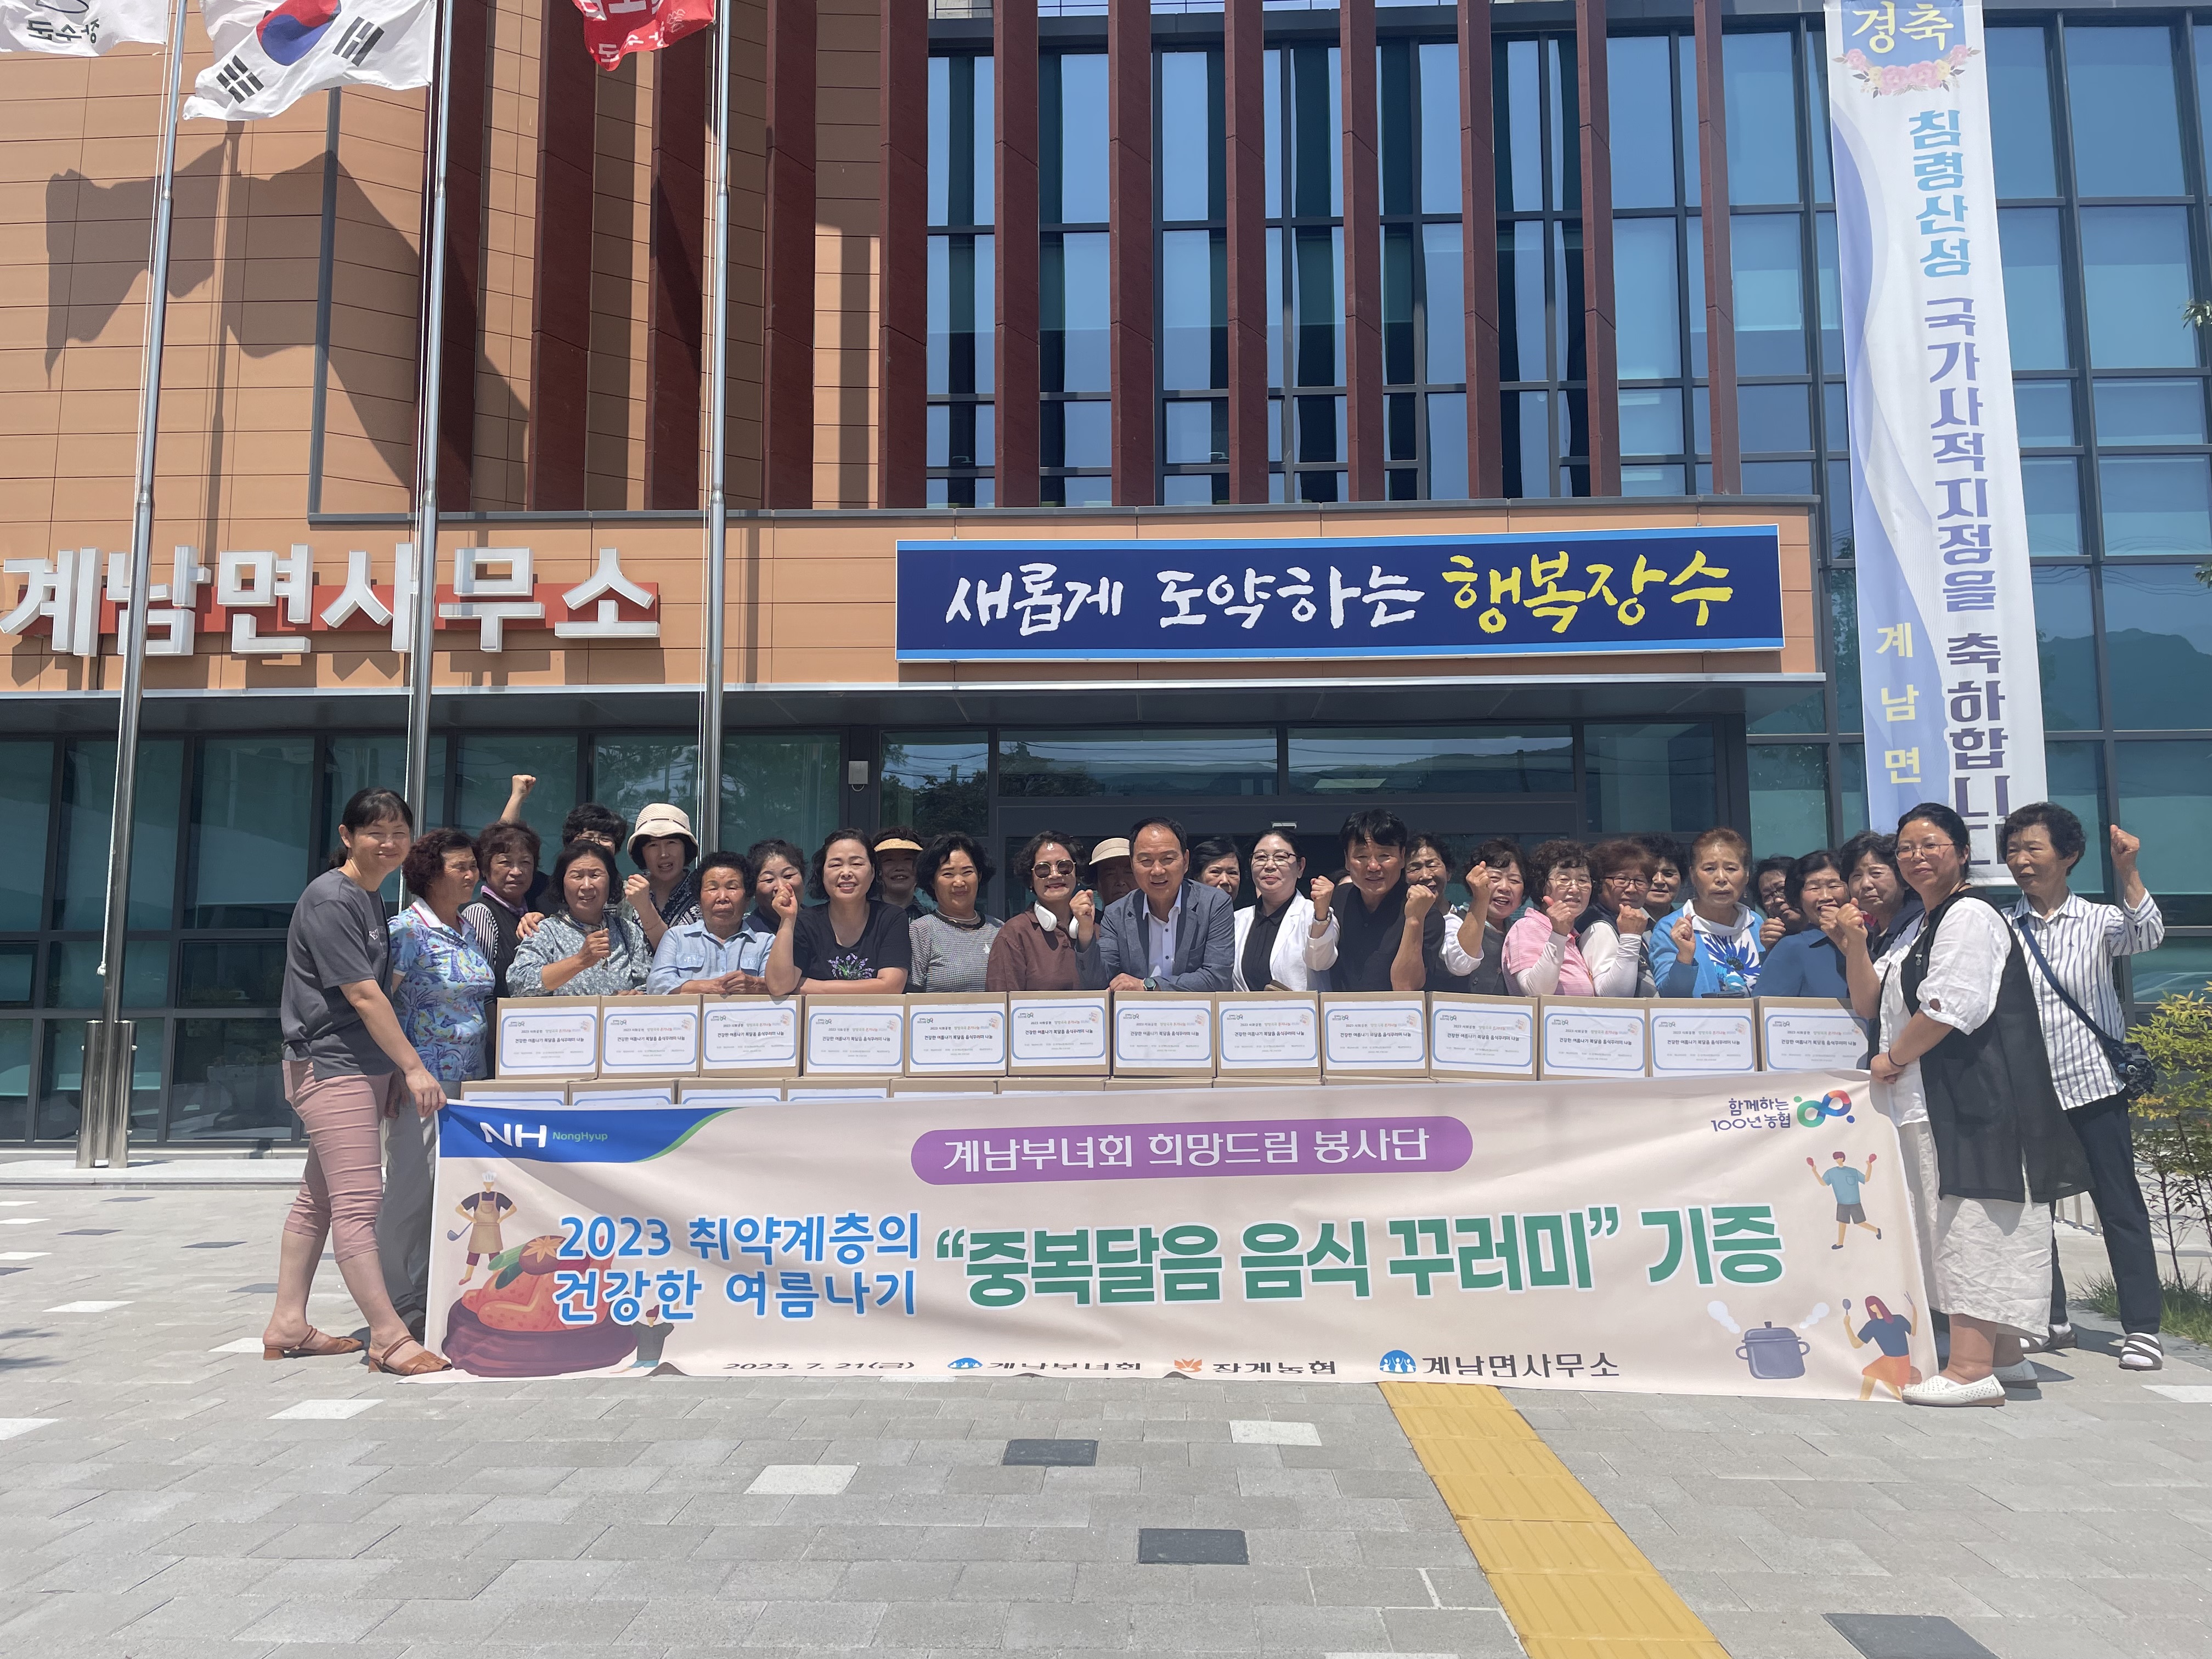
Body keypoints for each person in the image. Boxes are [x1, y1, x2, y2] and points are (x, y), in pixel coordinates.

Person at [1837, 802, 2092, 1406]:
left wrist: (1892, 1059)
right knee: (1947, 1221)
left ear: (1961, 852)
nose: (1916, 857)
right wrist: (1854, 944)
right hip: (1931, 1103)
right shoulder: (1917, 927)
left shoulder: (1970, 914)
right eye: (1906, 848)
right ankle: (2004, 1358)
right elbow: (1871, 1002)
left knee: (1972, 1224)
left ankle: (1971, 1369)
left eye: (1931, 845)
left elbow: (1952, 1006)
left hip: (1976, 1102)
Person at [262, 787, 450, 1376]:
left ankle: (288, 1323)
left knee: (318, 1199)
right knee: (358, 1204)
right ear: (347, 836)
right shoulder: (330, 898)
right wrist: (414, 1067)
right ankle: (389, 1338)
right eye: (375, 832)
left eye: (399, 833)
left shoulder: (369, 897)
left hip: (360, 1066)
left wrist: (389, 1069)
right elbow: (364, 995)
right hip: (330, 1065)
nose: (388, 843)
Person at [2002, 803, 2166, 1372]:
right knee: (2034, 1210)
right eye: (2013, 851)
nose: (2021, 861)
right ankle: (2050, 1318)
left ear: (2068, 855)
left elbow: (2148, 934)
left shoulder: (2098, 921)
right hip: (2029, 1093)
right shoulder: (2004, 928)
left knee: (2119, 1206)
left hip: (2094, 1085)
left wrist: (2128, 872)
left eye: (2033, 848)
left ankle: (2142, 1328)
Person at [380, 827, 496, 1340]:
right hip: (424, 1081)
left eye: (474, 866)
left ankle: (431, 1296)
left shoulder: (465, 929)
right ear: (430, 874)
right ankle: (393, 1300)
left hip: (471, 1082)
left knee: (449, 1193)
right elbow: (378, 1004)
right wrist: (399, 1070)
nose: (472, 875)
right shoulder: (407, 930)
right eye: (461, 867)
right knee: (412, 1191)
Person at [1080, 817, 1236, 991]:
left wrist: (1149, 986)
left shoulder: (1214, 904)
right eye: (1146, 861)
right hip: (1136, 1010)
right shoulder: (1116, 913)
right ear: (1133, 865)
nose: (1157, 870)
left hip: (1199, 1009)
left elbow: (1217, 977)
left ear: (1185, 862)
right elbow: (1098, 981)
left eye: (1167, 859)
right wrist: (1085, 933)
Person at [766, 829, 913, 993]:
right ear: (822, 874)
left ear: (873, 872)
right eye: (836, 865)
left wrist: (807, 987)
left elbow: (892, 987)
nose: (846, 873)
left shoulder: (891, 918)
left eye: (856, 864)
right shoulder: (805, 922)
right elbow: (779, 986)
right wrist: (787, 920)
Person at [1324, 809, 1452, 992]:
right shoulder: (1337, 900)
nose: (1373, 866)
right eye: (1362, 857)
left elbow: (1406, 987)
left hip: (1396, 1012)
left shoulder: (1427, 915)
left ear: (1402, 857)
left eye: (1384, 856)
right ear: (1347, 860)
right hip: (1340, 1011)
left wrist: (1414, 920)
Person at [509, 840, 652, 996]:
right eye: (577, 876)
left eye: (595, 875)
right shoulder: (544, 931)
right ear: (562, 883)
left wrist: (635, 998)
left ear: (610, 881)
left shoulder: (628, 932)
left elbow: (648, 986)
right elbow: (518, 984)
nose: (587, 886)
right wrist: (580, 960)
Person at [1651, 827, 1776, 997]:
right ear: (1693, 876)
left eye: (1731, 869)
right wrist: (1684, 959)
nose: (1721, 878)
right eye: (1709, 869)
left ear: (1746, 875)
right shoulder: (1670, 929)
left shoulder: (1756, 924)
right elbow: (1670, 998)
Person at [986, 832, 1098, 991]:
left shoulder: (1102, 924)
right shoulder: (1015, 933)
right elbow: (1002, 1000)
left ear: (1077, 872)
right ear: (1030, 880)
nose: (1055, 874)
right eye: (1043, 869)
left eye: (1064, 867)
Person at [649, 852, 774, 993]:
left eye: (732, 888)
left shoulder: (766, 943)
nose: (722, 897)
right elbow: (657, 984)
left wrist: (754, 985)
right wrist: (709, 987)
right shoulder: (677, 938)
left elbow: (779, 987)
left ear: (748, 898)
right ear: (699, 899)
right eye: (713, 888)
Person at [1233, 831, 1338, 991]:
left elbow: (1320, 963)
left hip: (1302, 1008)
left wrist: (1321, 915)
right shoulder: (1236, 920)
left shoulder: (1315, 915)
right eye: (1260, 857)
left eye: (1281, 857)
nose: (1269, 865)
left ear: (1300, 867)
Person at [1757, 850, 1858, 1002]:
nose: (1825, 897)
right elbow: (1766, 1010)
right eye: (1814, 888)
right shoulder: (1791, 948)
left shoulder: (1872, 938)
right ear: (1798, 899)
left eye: (1834, 885)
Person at [909, 832, 1002, 992]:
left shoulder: (999, 929)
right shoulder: (921, 931)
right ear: (932, 881)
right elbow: (910, 995)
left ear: (979, 876)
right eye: (948, 874)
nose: (959, 882)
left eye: (967, 872)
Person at [1502, 839, 1597, 996]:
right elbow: (1535, 992)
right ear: (1543, 886)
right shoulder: (1528, 927)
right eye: (1564, 879)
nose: (1575, 889)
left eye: (1582, 880)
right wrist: (1558, 936)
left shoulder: (1574, 936)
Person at [462, 820, 543, 997]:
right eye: (506, 862)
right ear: (485, 869)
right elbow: (478, 987)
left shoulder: (534, 913)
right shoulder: (480, 914)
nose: (516, 872)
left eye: (525, 862)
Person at [1438, 837, 1521, 995]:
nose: (1505, 887)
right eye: (1494, 878)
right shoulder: (1454, 921)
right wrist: (1481, 898)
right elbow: (1460, 964)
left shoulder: (1522, 931)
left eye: (1515, 880)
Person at [1579, 838, 1657, 997]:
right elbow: (1611, 996)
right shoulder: (1599, 927)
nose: (1631, 889)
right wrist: (1630, 938)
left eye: (1640, 881)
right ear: (1599, 883)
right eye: (1621, 880)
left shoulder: (1636, 922)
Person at [625, 803, 699, 951]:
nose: (664, 854)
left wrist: (645, 908)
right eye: (653, 845)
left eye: (671, 843)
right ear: (641, 853)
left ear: (686, 848)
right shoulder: (625, 894)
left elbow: (672, 953)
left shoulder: (703, 892)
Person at [1840, 829, 1923, 958]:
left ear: (1904, 879)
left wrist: (1847, 943)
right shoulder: (1869, 932)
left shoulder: (1920, 923)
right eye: (1857, 876)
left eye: (1876, 874)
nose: (1866, 884)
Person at [1844, 1294, 1922, 1402]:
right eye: (1869, 1306)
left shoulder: (1898, 1319)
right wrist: (1847, 1325)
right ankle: (1865, 1398)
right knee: (1872, 1372)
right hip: (1889, 1360)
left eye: (1873, 1304)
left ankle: (1895, 1397)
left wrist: (1915, 1313)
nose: (1872, 1308)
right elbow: (1856, 1344)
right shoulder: (1872, 1325)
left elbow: (1913, 1332)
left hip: (1901, 1361)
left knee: (1875, 1373)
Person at [744, 838, 807, 960]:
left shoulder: (822, 924)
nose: (781, 887)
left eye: (788, 876)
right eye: (769, 880)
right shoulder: (748, 934)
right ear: (753, 889)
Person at [1810, 1150, 1883, 1250]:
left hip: (1855, 1202)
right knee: (1842, 1223)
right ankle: (1840, 1243)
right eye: (1836, 1158)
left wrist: (1869, 1166)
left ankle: (1876, 1230)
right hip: (1842, 1203)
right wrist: (1815, 1171)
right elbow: (1823, 1183)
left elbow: (1866, 1179)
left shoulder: (1853, 1171)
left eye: (1839, 1158)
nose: (1838, 1160)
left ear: (1843, 1158)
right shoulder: (1831, 1172)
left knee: (1860, 1222)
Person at [870, 826, 927, 919]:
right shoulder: (863, 915)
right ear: (878, 869)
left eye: (908, 859)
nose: (899, 868)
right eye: (889, 860)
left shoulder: (931, 917)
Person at [1638, 833, 1688, 915]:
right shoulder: (1618, 921)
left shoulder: (1690, 920)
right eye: (1649, 873)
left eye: (1668, 874)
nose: (1659, 881)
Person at [1756, 854, 1804, 935]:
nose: (1778, 900)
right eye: (1768, 896)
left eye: (1782, 889)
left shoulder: (1827, 929)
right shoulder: (1766, 939)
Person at [1087, 837, 1137, 907]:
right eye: (1110, 874)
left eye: (1129, 873)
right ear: (1097, 884)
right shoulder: (1084, 915)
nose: (1120, 882)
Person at [1192, 837, 1243, 904]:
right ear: (1197, 877)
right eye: (1215, 872)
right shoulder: (1181, 910)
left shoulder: (1247, 911)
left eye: (1232, 873)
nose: (1225, 881)